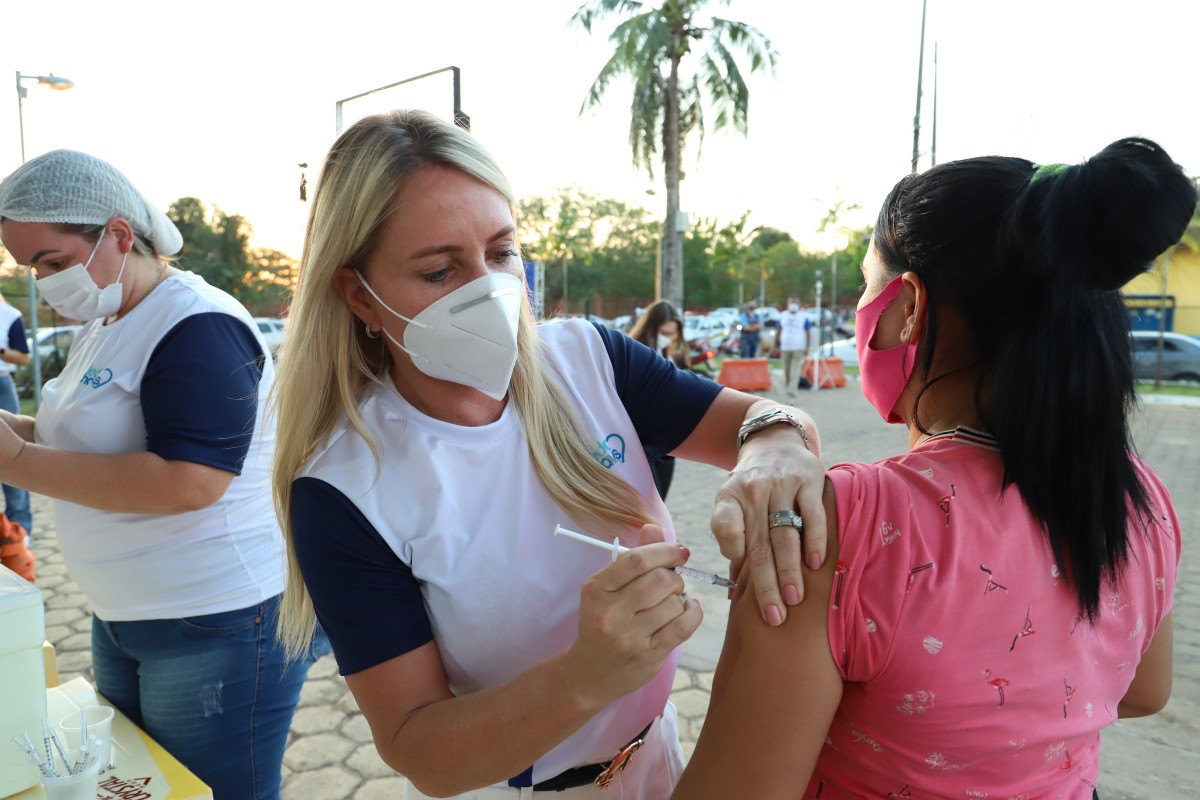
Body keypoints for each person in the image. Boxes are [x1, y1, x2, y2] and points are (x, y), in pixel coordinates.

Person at [272, 110, 828, 800]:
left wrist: (774, 444)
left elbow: (760, 421)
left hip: (659, 758)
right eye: (441, 270)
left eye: (502, 253)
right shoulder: (346, 489)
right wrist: (583, 677)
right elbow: (421, 753)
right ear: (360, 293)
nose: (488, 291)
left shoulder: (588, 358)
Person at [673, 138, 1192, 798]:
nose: (863, 310)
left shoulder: (844, 525)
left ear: (910, 306)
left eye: (868, 285)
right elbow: (1145, 690)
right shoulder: (1138, 496)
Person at [0, 150, 327, 799]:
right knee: (150, 787)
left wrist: (12, 460)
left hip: (215, 623)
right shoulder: (108, 322)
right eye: (30, 267)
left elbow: (191, 480)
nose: (41, 281)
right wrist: (14, 432)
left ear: (120, 235)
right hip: (127, 616)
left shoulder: (196, 323)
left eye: (53, 261)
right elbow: (76, 441)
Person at [628, 300, 693, 499]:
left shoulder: (669, 357)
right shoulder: (632, 356)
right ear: (651, 328)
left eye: (672, 334)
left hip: (666, 445)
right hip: (640, 444)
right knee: (649, 504)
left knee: (660, 502)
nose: (668, 339)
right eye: (664, 333)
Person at [0, 292, 32, 537]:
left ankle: (20, 531)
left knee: (11, 456)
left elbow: (23, 357)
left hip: (1, 384)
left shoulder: (10, 315)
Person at [777, 296, 812, 396]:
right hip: (785, 347)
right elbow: (778, 330)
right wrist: (776, 343)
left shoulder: (803, 317)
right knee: (787, 371)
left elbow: (808, 332)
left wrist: (807, 347)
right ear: (788, 304)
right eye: (792, 302)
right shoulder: (782, 315)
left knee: (795, 371)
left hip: (798, 347)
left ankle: (792, 391)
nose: (793, 305)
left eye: (795, 303)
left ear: (799, 304)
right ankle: (789, 388)